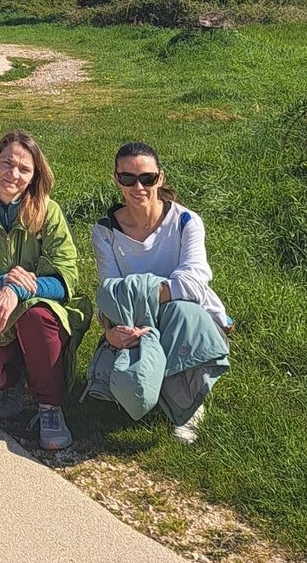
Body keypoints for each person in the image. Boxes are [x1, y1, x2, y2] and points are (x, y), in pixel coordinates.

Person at [0, 129, 89, 453]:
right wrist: (2, 285)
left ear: (34, 176)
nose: (13, 174)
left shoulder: (48, 212)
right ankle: (13, 378)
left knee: (36, 317)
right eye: (7, 163)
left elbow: (66, 279)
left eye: (24, 169)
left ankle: (50, 407)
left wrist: (19, 290)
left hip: (38, 315)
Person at [89, 142, 231, 443]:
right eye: (128, 178)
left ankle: (188, 406)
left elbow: (194, 283)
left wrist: (139, 300)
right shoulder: (104, 231)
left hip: (187, 317)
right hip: (133, 319)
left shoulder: (186, 222)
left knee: (182, 312)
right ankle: (151, 389)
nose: (138, 187)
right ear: (116, 179)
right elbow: (108, 291)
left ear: (160, 178)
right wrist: (110, 331)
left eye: (147, 178)